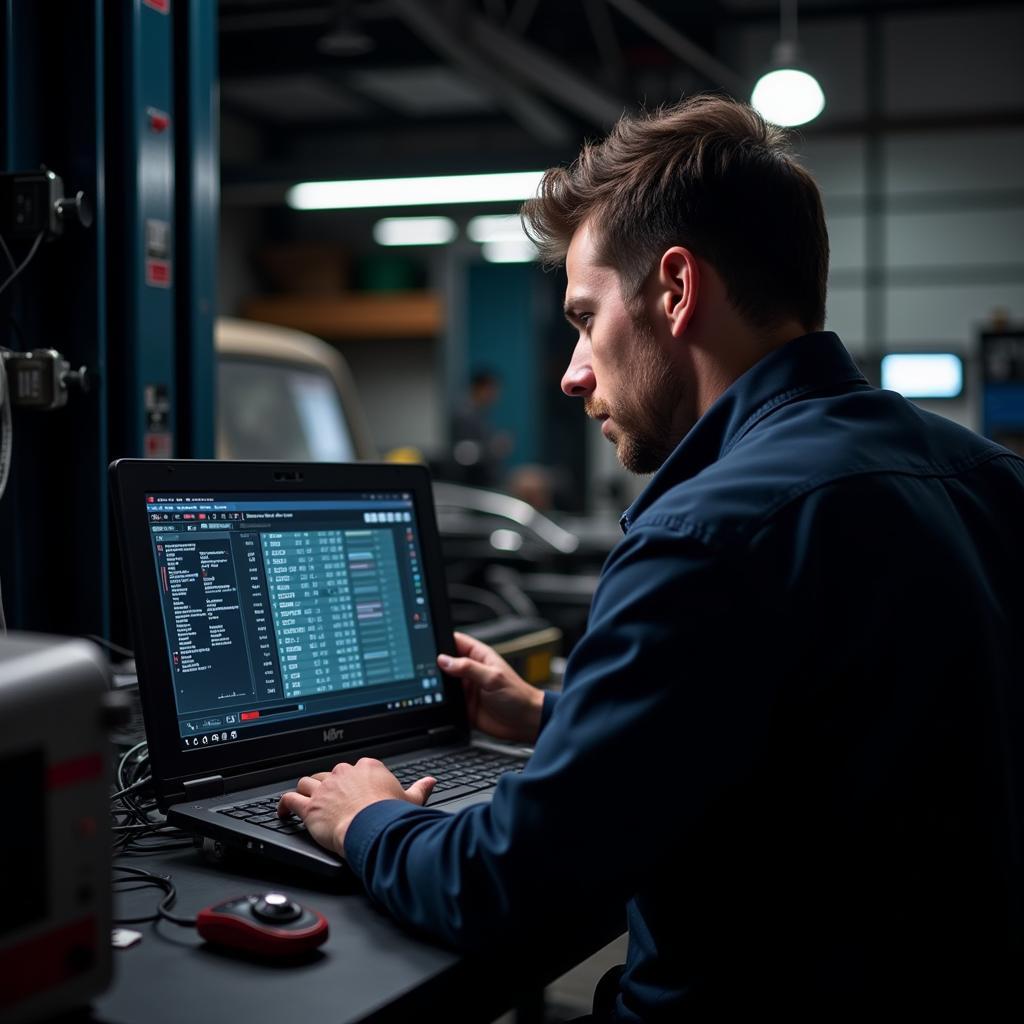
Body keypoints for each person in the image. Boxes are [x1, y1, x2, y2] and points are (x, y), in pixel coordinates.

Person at [279, 96, 1024, 1018]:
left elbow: (501, 887)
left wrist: (370, 819)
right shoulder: (986, 477)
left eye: (586, 318)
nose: (572, 369)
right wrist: (554, 718)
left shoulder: (706, 533)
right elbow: (812, 744)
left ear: (675, 291)